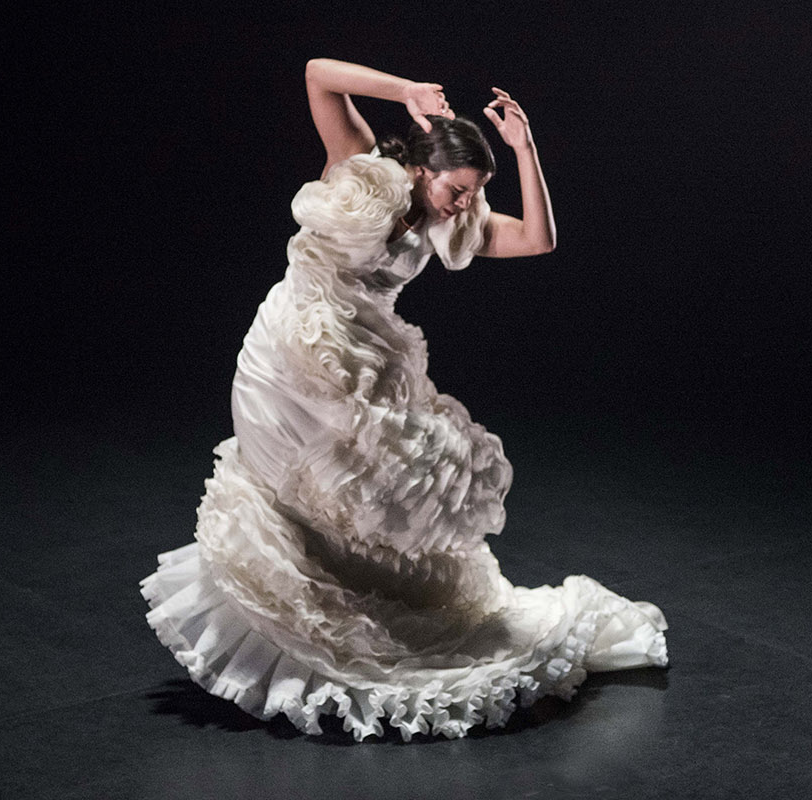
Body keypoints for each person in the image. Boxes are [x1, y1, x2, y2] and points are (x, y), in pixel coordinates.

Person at [139, 58, 669, 742]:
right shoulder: (359, 167)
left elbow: (539, 239)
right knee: (286, 493)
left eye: (474, 192)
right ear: (423, 169)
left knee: (365, 500)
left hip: (361, 373)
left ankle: (350, 629)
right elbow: (316, 75)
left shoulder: (452, 224)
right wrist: (405, 91)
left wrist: (524, 148)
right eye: (457, 187)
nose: (463, 203)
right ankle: (289, 638)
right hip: (285, 360)